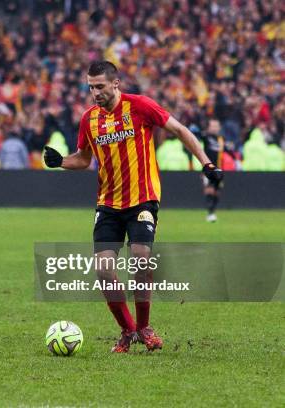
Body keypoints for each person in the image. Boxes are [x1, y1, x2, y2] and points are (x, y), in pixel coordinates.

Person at [44, 61, 223, 353]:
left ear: (116, 83)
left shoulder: (139, 106)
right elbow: (83, 159)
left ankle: (144, 328)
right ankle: (127, 331)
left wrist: (207, 163)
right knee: (104, 269)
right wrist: (60, 161)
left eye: (100, 86)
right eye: (91, 87)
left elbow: (179, 129)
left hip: (142, 198)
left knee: (140, 258)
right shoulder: (89, 119)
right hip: (108, 203)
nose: (95, 92)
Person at [197, 119, 226, 222]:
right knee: (209, 189)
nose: (214, 128)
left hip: (219, 170)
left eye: (216, 126)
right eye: (212, 126)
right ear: (208, 127)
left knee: (217, 192)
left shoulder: (221, 139)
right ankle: (210, 214)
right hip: (208, 169)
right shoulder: (205, 137)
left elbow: (224, 152)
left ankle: (212, 212)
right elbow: (197, 136)